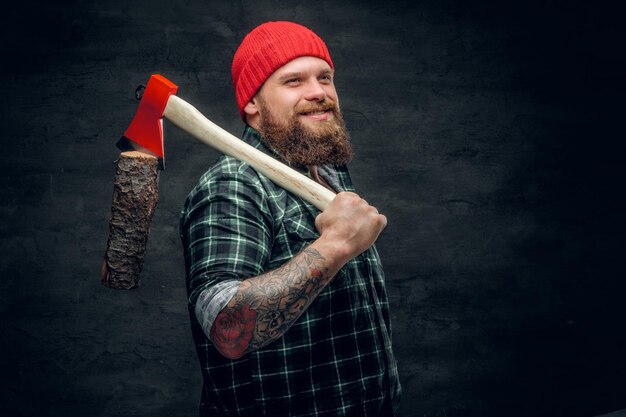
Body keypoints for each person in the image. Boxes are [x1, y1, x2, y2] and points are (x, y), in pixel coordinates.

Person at [180, 21, 401, 417]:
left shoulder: (327, 173)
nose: (319, 92)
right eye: (293, 81)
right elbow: (226, 328)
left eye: (325, 77)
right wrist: (336, 245)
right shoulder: (233, 185)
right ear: (252, 103)